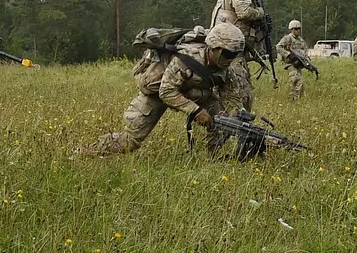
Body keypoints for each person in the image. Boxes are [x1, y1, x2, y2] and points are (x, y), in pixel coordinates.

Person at [78, 23, 245, 156]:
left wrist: (235, 117)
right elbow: (166, 91)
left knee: (225, 120)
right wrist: (195, 111)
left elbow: (232, 98)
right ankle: (86, 152)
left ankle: (210, 156)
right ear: (213, 47)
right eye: (228, 54)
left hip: (193, 92)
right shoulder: (187, 58)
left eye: (235, 55)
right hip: (159, 91)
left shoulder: (226, 68)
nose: (230, 60)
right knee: (131, 141)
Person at [209, 0, 262, 111]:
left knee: (234, 93)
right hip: (230, 51)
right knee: (240, 94)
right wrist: (259, 12)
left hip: (228, 50)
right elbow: (244, 12)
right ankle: (236, 128)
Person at [276, 19, 308, 100]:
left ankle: (294, 99)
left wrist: (306, 61)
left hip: (298, 64)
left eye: (299, 29)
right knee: (297, 80)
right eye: (296, 29)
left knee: (297, 83)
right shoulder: (287, 38)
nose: (298, 31)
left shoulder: (301, 41)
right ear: (292, 29)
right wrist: (288, 54)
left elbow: (305, 51)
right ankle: (294, 99)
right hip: (290, 64)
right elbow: (278, 47)